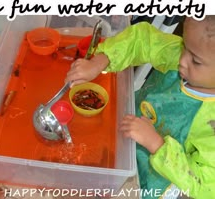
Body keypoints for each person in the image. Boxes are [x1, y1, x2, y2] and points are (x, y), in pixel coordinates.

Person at [65, 16, 215, 198]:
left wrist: (156, 144)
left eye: (196, 61)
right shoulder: (179, 55)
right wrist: (101, 60)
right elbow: (142, 39)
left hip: (156, 180)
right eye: (185, 46)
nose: (182, 60)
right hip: (126, 131)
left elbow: (206, 186)